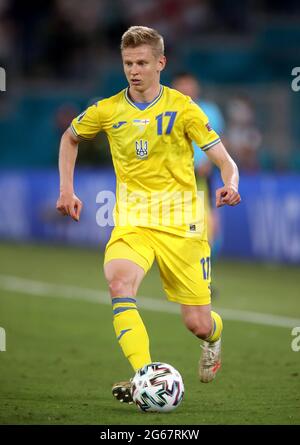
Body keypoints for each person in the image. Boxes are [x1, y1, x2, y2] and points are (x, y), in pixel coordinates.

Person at [56, 26, 241, 405]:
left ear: (161, 63)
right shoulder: (108, 110)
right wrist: (66, 189)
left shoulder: (184, 108)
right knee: (119, 285)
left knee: (197, 323)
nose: (134, 70)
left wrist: (231, 183)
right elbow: (70, 138)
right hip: (133, 221)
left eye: (142, 62)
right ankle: (144, 375)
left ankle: (214, 337)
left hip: (183, 226)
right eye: (127, 63)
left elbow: (226, 161)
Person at [171, 73, 225, 268]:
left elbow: (220, 141)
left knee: (207, 226)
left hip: (201, 177)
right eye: (181, 85)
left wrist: (211, 163)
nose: (186, 89)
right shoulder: (165, 112)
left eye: (189, 85)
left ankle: (202, 275)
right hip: (173, 178)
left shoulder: (210, 111)